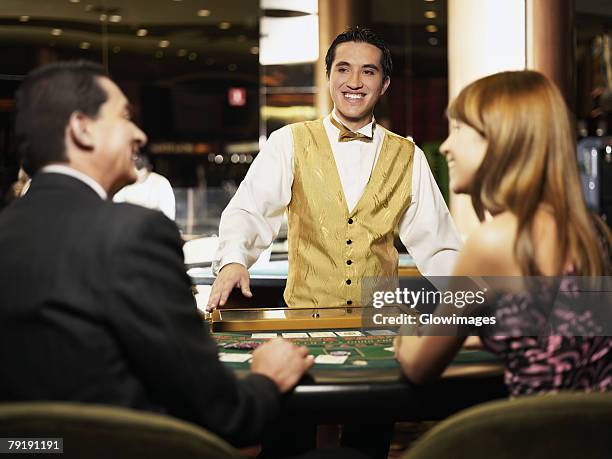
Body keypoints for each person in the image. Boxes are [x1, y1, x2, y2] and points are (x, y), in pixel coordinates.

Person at [0, 61, 319, 449]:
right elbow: (224, 415)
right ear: (82, 129)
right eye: (124, 117)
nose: (140, 134)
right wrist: (267, 378)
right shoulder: (135, 233)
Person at [208, 27, 462, 310]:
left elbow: (439, 246)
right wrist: (233, 260)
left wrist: (472, 306)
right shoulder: (288, 141)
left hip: (381, 323)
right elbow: (249, 211)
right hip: (306, 320)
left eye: (368, 72)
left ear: (385, 83)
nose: (354, 82)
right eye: (343, 69)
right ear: (328, 76)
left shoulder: (409, 155)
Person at [394, 70, 612, 395]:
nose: (445, 147)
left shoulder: (495, 242)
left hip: (535, 439)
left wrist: (406, 326)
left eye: (458, 129)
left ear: (501, 138)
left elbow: (419, 366)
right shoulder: (594, 232)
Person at [113, 154, 176, 220]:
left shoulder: (161, 182)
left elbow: (169, 213)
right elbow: (116, 205)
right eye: (134, 168)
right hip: (130, 223)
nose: (137, 172)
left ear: (148, 168)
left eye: (140, 168)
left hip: (152, 225)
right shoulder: (124, 181)